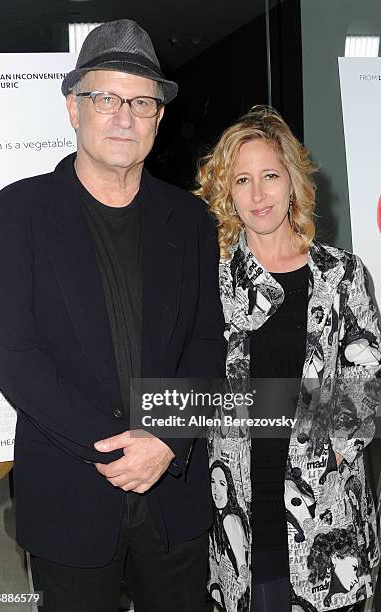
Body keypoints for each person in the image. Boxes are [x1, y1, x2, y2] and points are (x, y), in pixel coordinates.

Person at [0, 19, 226, 612]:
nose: (123, 116)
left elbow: (206, 341)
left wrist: (164, 439)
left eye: (140, 102)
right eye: (105, 98)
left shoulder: (189, 221)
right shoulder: (13, 217)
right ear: (73, 107)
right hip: (68, 494)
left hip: (173, 489)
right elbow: (18, 361)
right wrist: (119, 450)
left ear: (159, 118)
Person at [195, 106, 380, 612]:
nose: (258, 195)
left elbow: (367, 381)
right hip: (238, 509)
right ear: (226, 192)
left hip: (325, 510)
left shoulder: (341, 274)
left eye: (270, 176)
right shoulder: (210, 281)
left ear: (293, 182)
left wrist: (330, 453)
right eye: (242, 180)